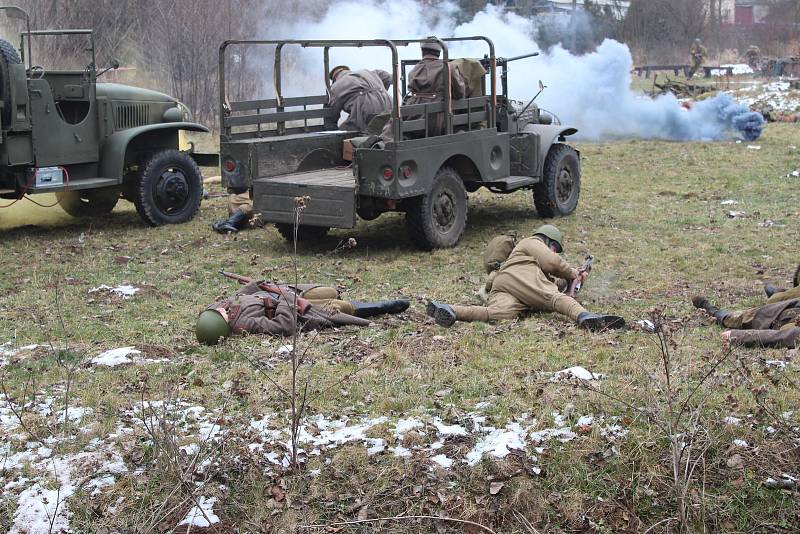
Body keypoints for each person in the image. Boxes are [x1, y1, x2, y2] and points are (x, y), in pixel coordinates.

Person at [425, 225, 626, 331]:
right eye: (554, 247)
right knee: (555, 299)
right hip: (521, 276)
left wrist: (575, 279)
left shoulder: (525, 257)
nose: (553, 251)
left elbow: (551, 279)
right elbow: (552, 263)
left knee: (496, 314)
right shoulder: (532, 242)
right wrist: (572, 273)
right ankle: (585, 317)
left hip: (505, 283)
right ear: (546, 240)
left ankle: (451, 310)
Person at [196, 281, 410, 345]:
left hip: (288, 294)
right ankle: (383, 307)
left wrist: (258, 284)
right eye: (221, 313)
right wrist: (287, 299)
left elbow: (241, 295)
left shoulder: (224, 306)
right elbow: (284, 326)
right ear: (221, 326)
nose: (222, 308)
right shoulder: (245, 324)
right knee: (340, 307)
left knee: (329, 290)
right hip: (299, 309)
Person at [382, 38, 466, 142]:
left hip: (413, 118)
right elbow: (460, 93)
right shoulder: (449, 68)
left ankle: (384, 142)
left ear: (422, 52)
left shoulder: (414, 70)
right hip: (438, 120)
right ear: (439, 53)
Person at [692, 294, 799, 349]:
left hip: (775, 323)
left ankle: (714, 312)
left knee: (734, 320)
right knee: (736, 318)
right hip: (779, 311)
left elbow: (784, 336)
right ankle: (715, 313)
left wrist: (739, 336)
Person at [325, 65, 393, 133]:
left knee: (344, 133)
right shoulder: (368, 72)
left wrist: (331, 131)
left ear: (335, 78)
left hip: (367, 112)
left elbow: (331, 115)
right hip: (391, 108)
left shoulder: (336, 86)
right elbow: (389, 77)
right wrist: (380, 92)